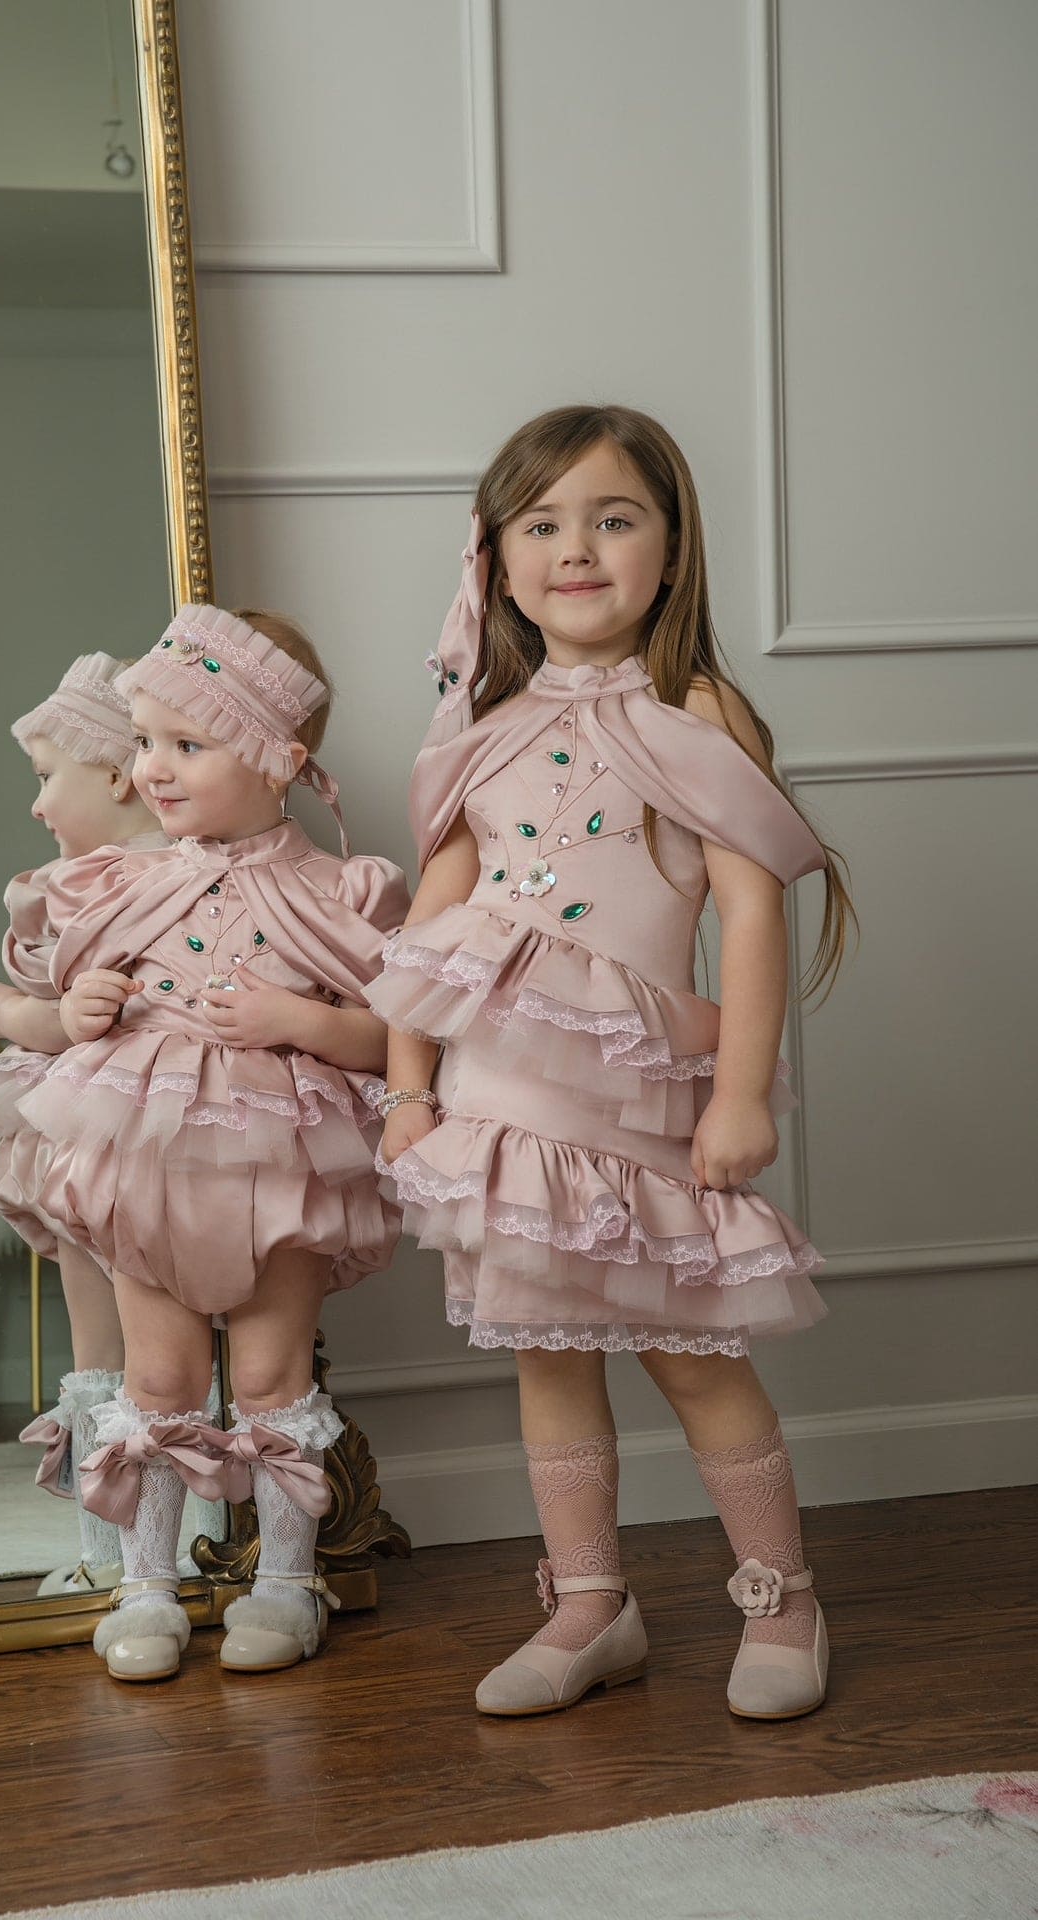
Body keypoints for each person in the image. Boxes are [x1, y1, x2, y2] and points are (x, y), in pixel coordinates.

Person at [371, 405, 856, 1721]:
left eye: (613, 517)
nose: (574, 548)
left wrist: (741, 1095)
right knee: (547, 1357)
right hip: (496, 1101)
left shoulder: (695, 711)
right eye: (541, 524)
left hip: (636, 1099)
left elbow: (750, 911)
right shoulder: (483, 725)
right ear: (496, 560)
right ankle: (591, 1606)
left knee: (693, 1355)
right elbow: (430, 924)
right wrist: (408, 1089)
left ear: (671, 546)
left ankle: (781, 1597)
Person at [15, 605, 409, 1682]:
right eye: (145, 741)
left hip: (281, 1171)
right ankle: (147, 1588)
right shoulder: (115, 881)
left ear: (279, 760)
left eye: (186, 745)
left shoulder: (340, 892)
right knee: (159, 1376)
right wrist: (82, 1008)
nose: (152, 768)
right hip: (147, 1163)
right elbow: (59, 1000)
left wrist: (301, 1022)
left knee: (273, 1375)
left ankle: (284, 1584)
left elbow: (397, 1040)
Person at [0, 651, 162, 1597]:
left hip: (164, 1131)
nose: (38, 804)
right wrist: (31, 1015)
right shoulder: (58, 886)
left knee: (163, 1339)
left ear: (117, 775)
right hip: (77, 1127)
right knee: (97, 1338)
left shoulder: (187, 876)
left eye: (47, 778)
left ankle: (178, 1531)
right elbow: (10, 1004)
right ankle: (104, 1546)